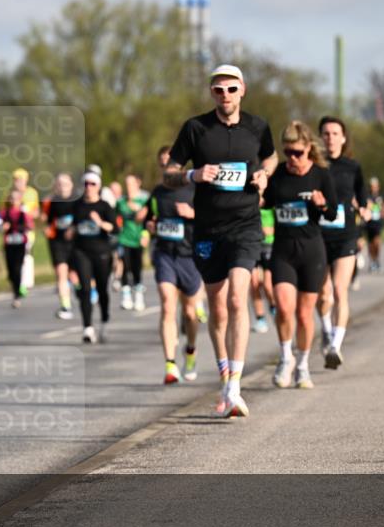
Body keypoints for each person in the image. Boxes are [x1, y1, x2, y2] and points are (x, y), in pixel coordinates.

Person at [163, 64, 277, 418]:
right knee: (217, 308)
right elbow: (168, 174)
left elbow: (271, 156)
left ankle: (235, 386)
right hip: (208, 229)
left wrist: (265, 174)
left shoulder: (258, 127)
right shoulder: (195, 128)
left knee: (237, 299)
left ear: (242, 89)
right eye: (218, 90)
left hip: (244, 225)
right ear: (211, 93)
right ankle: (225, 372)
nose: (225, 95)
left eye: (231, 89)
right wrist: (194, 174)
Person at [265, 121, 337, 390]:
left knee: (306, 315)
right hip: (283, 250)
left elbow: (332, 213)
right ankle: (286, 358)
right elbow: (265, 201)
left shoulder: (320, 175)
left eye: (297, 152)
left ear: (308, 148)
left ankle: (304, 365)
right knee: (284, 308)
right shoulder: (279, 175)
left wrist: (322, 204)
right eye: (288, 153)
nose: (292, 158)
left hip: (311, 251)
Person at [140, 148, 202, 383]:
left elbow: (209, 218)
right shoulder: (157, 192)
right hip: (165, 255)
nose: (168, 168)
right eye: (164, 164)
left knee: (188, 312)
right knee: (167, 305)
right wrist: (150, 226)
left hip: (189, 256)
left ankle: (191, 350)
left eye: (172, 164)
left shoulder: (194, 189)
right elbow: (148, 218)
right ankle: (170, 364)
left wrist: (191, 214)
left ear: (181, 167)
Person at [316, 116, 368, 370]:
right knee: (322, 292)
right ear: (320, 137)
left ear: (343, 138)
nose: (330, 137)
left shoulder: (352, 166)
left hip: (346, 234)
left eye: (335, 133)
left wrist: (366, 208)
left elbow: (362, 193)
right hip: (319, 235)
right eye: (326, 133)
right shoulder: (315, 166)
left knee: (339, 289)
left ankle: (335, 345)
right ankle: (326, 330)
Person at [69, 171, 118, 343]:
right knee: (85, 290)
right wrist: (71, 231)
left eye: (92, 184)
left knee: (103, 290)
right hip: (81, 252)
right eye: (86, 184)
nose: (89, 187)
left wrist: (100, 223)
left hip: (102, 252)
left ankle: (104, 322)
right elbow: (73, 226)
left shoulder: (104, 206)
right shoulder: (77, 206)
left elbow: (115, 229)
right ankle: (87, 328)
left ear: (98, 186)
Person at [43, 173, 79, 319]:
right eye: (59, 184)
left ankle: (82, 290)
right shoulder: (53, 202)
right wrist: (47, 228)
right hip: (58, 242)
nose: (62, 187)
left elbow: (83, 219)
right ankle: (66, 306)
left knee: (75, 275)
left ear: (71, 184)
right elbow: (50, 220)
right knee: (61, 273)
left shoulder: (78, 200)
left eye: (65, 183)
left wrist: (74, 229)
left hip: (75, 243)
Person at [3, 168, 41, 294]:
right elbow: (3, 213)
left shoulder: (32, 193)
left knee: (25, 255)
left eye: (21, 180)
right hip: (11, 233)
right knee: (12, 259)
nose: (19, 183)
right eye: (16, 180)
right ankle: (16, 280)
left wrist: (26, 214)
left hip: (26, 230)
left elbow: (36, 212)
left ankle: (24, 283)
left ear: (26, 180)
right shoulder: (7, 194)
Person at [116, 174, 149, 311]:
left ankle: (139, 296)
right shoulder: (120, 202)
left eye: (131, 184)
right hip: (124, 239)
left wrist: (145, 234)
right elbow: (115, 219)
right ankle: (126, 296)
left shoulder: (144, 201)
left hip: (138, 239)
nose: (128, 187)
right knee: (124, 265)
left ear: (138, 184)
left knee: (137, 267)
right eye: (126, 184)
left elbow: (149, 221)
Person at [1, 187, 35, 307]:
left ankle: (17, 294)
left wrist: (25, 225)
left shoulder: (23, 212)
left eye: (16, 198)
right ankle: (15, 287)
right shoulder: (5, 212)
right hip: (9, 243)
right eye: (12, 198)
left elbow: (31, 225)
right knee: (10, 270)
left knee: (17, 267)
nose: (14, 200)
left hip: (20, 243)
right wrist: (3, 227)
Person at [251, 207, 276, 333]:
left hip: (269, 245)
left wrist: (271, 230)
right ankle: (260, 318)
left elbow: (281, 220)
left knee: (267, 285)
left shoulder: (270, 198)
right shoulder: (250, 197)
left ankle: (273, 306)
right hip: (253, 245)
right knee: (254, 283)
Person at [364, 176, 384, 272]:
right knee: (371, 243)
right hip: (369, 222)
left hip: (378, 222)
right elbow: (368, 207)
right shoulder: (367, 196)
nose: (374, 188)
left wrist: (375, 207)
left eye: (376, 186)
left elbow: (383, 209)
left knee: (377, 242)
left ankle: (377, 260)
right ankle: (372, 261)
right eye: (372, 186)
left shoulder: (381, 196)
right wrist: (375, 207)